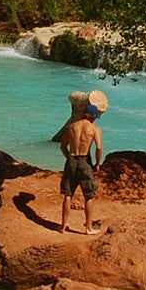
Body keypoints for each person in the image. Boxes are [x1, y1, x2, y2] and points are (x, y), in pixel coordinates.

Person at [57, 98, 104, 234]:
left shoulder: (72, 126)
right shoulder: (94, 129)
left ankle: (63, 227)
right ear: (94, 116)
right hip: (85, 160)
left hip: (71, 159)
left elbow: (62, 147)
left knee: (68, 194)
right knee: (89, 195)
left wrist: (70, 159)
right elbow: (99, 147)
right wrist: (97, 163)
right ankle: (88, 228)